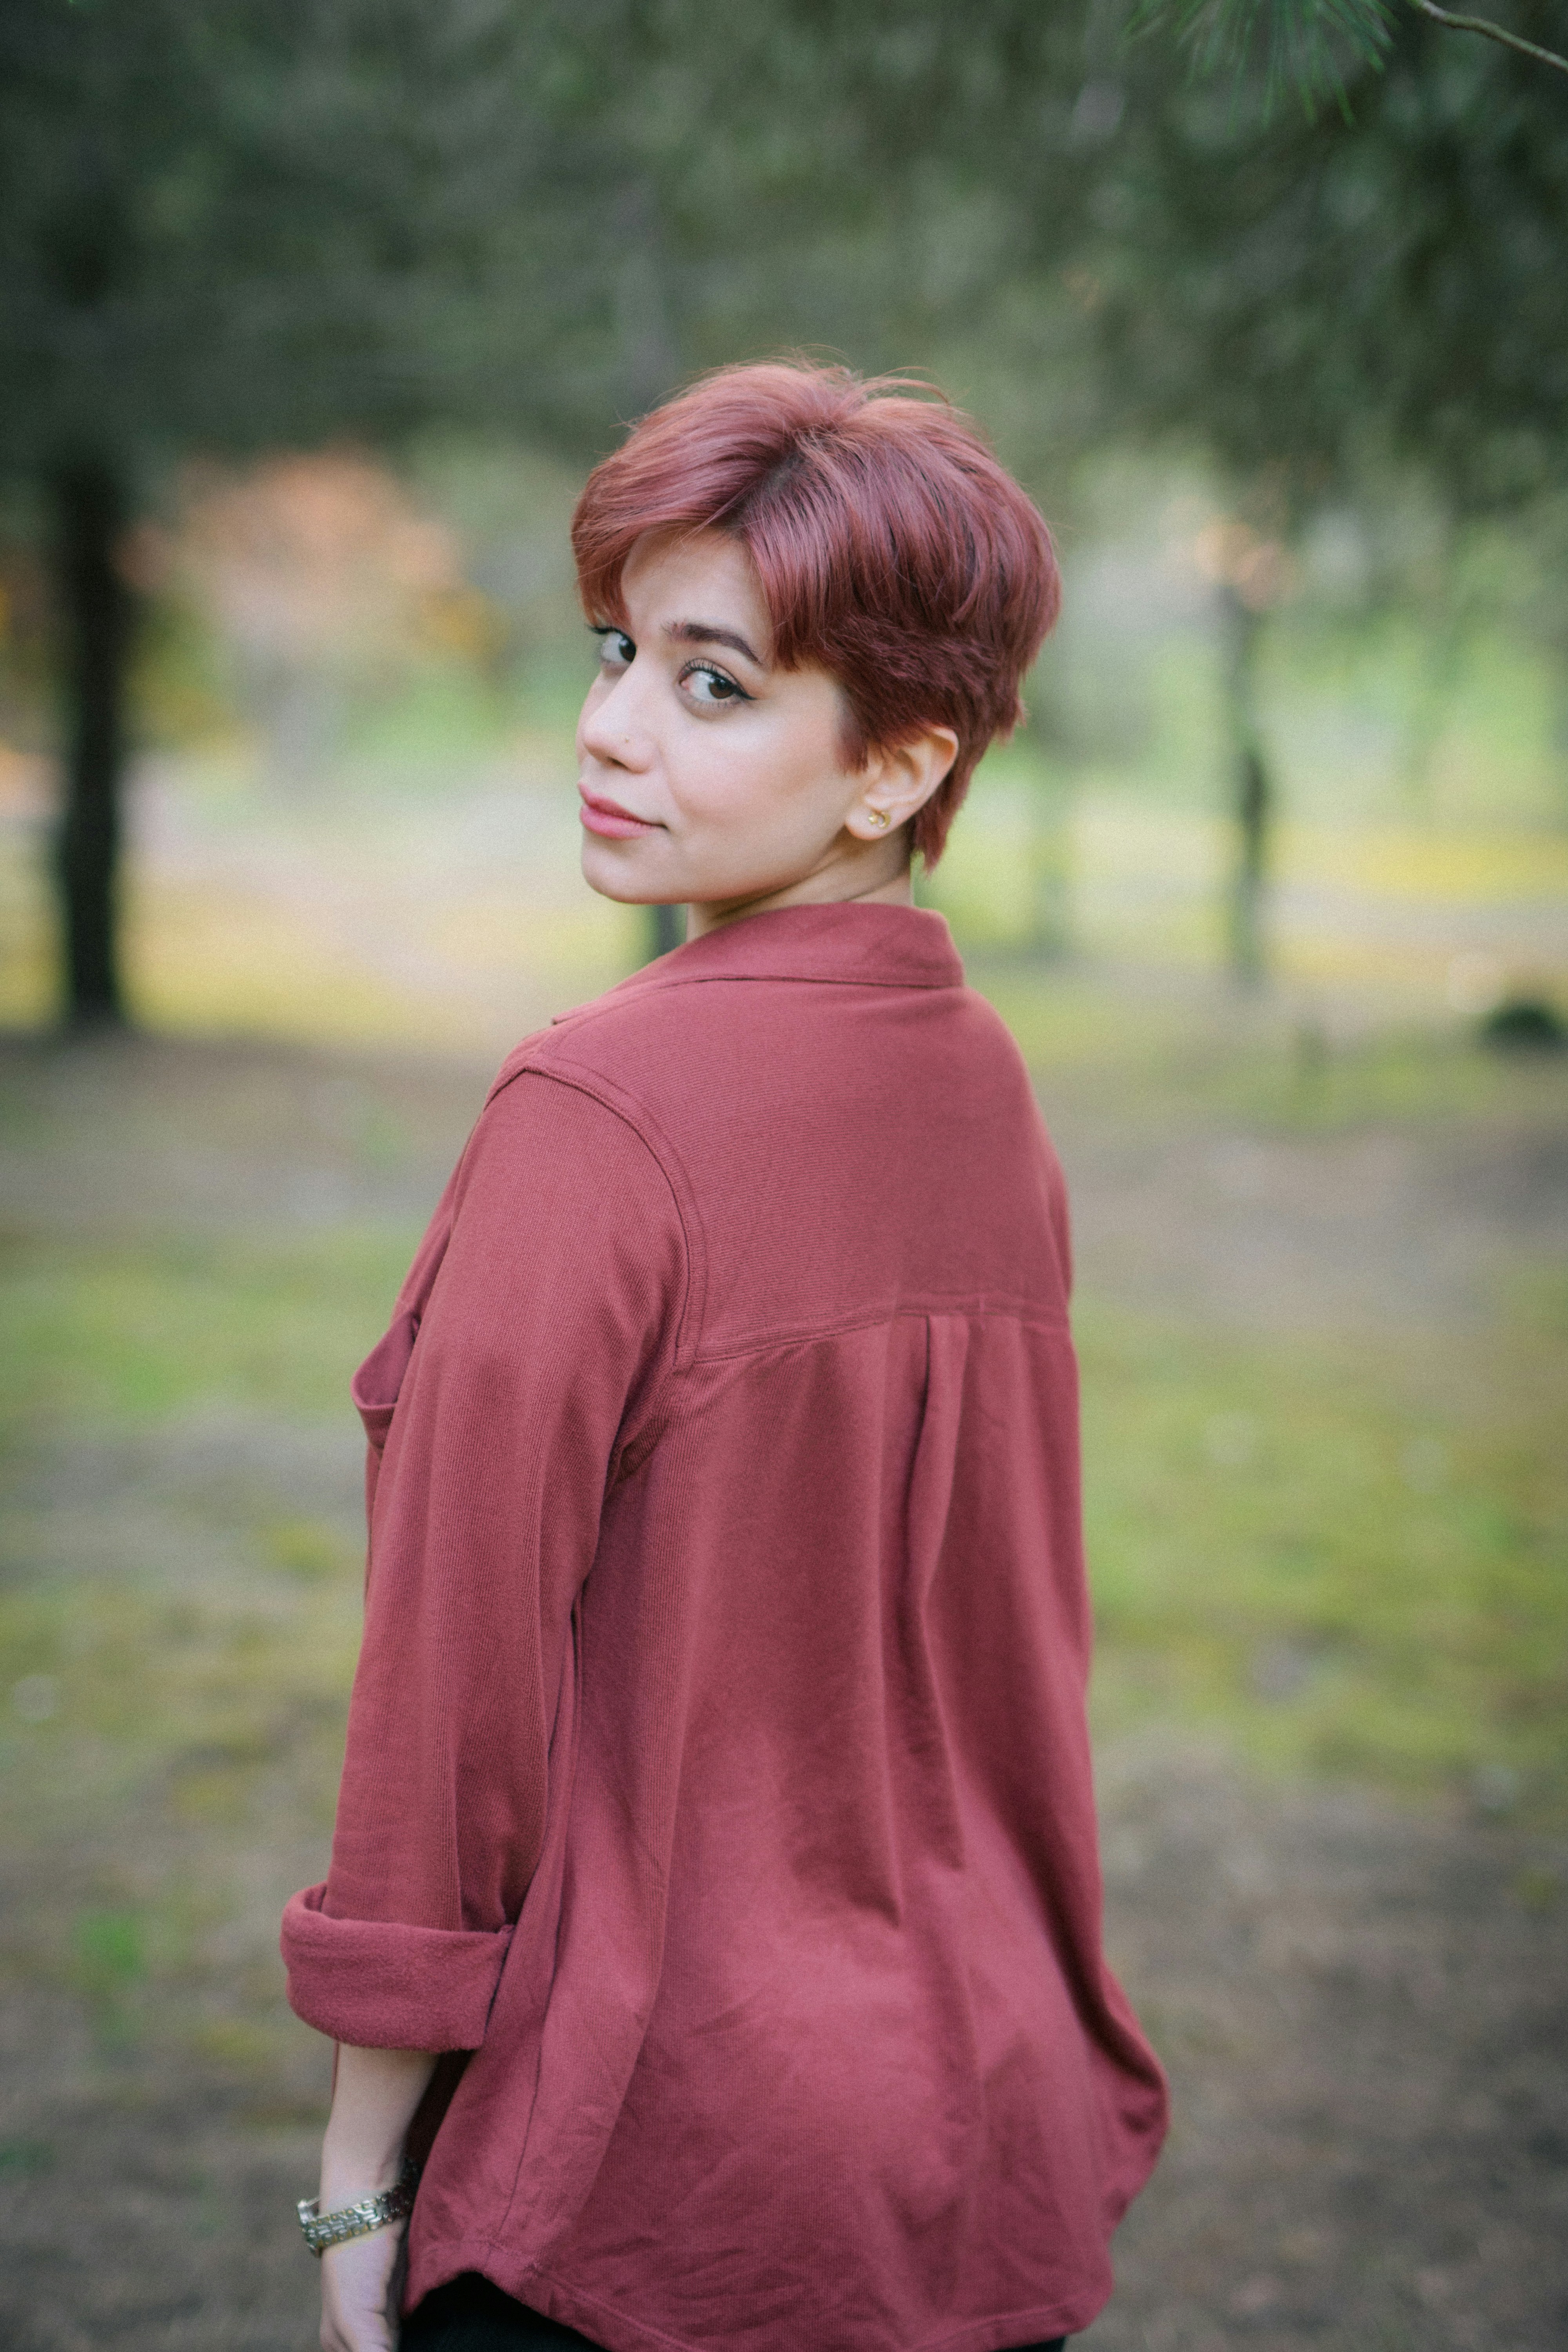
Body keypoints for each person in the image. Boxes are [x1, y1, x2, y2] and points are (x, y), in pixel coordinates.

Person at [281, 360, 1167, 2352]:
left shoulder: (594, 1112)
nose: (605, 730)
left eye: (712, 684)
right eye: (615, 649)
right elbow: (1018, 1655)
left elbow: (454, 1681)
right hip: (973, 2138)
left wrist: (357, 2179)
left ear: (894, 768)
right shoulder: (983, 1087)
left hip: (654, 2184)